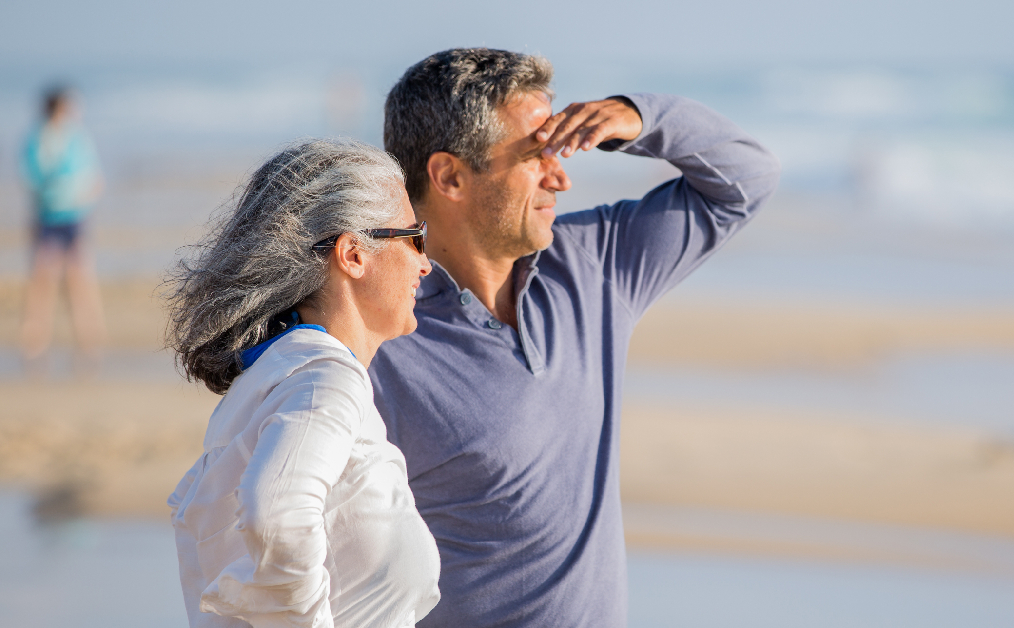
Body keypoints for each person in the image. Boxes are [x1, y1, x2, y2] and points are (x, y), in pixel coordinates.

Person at [371, 49, 780, 626]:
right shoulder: (376, 336)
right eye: (537, 156)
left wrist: (639, 118)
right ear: (450, 177)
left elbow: (746, 179)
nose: (560, 177)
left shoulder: (593, 265)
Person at [165, 139, 441, 628]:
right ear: (353, 254)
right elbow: (275, 516)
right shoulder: (324, 379)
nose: (426, 262)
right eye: (415, 236)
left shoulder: (273, 375)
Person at [19, 86, 106, 370]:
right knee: (42, 283)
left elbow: (93, 179)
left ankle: (89, 345)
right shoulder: (39, 139)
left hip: (74, 218)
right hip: (48, 218)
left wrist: (82, 193)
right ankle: (34, 345)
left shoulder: (77, 138)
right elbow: (34, 180)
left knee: (80, 282)